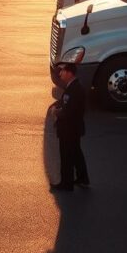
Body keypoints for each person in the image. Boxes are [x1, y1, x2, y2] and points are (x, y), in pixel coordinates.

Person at [50, 62, 89, 191]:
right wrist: (58, 106)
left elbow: (68, 111)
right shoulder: (72, 87)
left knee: (66, 156)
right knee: (76, 153)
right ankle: (82, 178)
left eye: (63, 71)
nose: (60, 74)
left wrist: (56, 112)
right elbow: (64, 102)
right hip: (74, 129)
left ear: (69, 73)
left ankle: (66, 183)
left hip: (69, 129)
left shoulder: (75, 90)